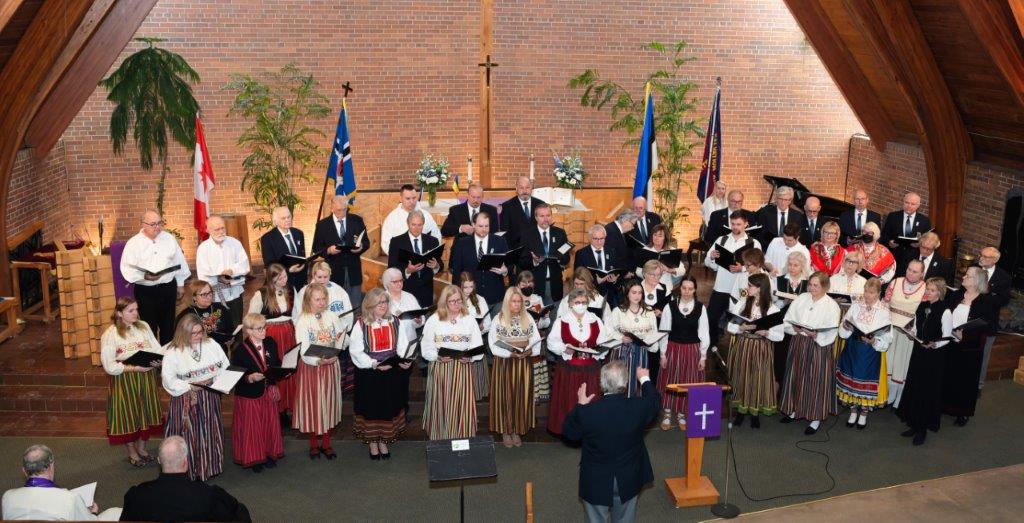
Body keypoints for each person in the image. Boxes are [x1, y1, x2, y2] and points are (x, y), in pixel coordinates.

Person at [562, 362, 659, 523]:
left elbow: (569, 432)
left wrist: (580, 405)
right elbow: (655, 401)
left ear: (601, 384)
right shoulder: (639, 407)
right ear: (626, 383)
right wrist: (644, 379)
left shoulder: (588, 413)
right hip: (629, 476)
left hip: (595, 479)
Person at [161, 314, 229, 481]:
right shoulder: (173, 352)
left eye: (200, 332)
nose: (198, 336)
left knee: (209, 431)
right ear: (183, 333)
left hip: (209, 397)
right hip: (185, 399)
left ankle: (209, 466)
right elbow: (168, 380)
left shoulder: (211, 344)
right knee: (188, 435)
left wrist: (216, 380)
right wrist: (190, 385)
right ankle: (188, 471)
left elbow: (225, 366)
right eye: (193, 333)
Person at [120, 436, 250, 522]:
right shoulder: (210, 495)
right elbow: (235, 511)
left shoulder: (136, 495)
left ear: (159, 461)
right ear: (186, 462)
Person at [349, 288, 413, 459]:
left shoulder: (395, 321)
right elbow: (356, 350)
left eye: (385, 302)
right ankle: (372, 443)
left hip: (390, 373)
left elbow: (402, 345)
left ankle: (384, 440)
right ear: (370, 304)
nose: (383, 305)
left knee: (388, 407)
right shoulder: (361, 324)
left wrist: (404, 360)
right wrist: (373, 364)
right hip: (369, 374)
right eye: (379, 302)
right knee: (372, 408)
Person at [100, 297, 163, 467]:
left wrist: (158, 360)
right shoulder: (110, 334)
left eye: (136, 309)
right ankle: (132, 452)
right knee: (129, 414)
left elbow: (156, 348)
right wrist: (134, 368)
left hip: (147, 376)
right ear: (119, 313)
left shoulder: (144, 326)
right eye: (130, 311)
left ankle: (142, 448)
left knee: (146, 411)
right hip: (125, 379)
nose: (136, 313)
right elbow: (109, 366)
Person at [779, 271, 842, 435]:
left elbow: (832, 332)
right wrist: (793, 327)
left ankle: (815, 418)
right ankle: (793, 410)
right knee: (796, 376)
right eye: (810, 284)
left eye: (816, 285)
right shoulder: (801, 298)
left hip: (818, 347)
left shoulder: (832, 305)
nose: (812, 288)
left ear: (825, 286)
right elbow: (787, 319)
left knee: (815, 381)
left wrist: (817, 335)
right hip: (799, 342)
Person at [421, 285, 485, 439]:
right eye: (452, 301)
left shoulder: (469, 319)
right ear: (444, 302)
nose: (456, 304)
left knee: (461, 404)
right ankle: (441, 436)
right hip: (440, 368)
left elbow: (477, 345)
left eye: (459, 301)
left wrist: (471, 357)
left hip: (462, 368)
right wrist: (436, 356)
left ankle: (462, 436)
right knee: (441, 403)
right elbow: (426, 345)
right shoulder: (434, 319)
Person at [119, 209, 191, 344]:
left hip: (167, 288)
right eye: (153, 224)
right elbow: (126, 268)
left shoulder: (169, 238)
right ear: (143, 224)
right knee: (148, 327)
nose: (157, 227)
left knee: (168, 326)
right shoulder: (133, 243)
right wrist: (144, 277)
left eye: (159, 223)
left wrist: (180, 284)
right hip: (146, 291)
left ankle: (168, 359)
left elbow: (179, 261)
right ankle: (153, 361)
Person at [547, 288, 612, 436]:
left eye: (584, 302)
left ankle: (591, 431)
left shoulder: (595, 320)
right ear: (570, 303)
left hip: (591, 369)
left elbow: (604, 343)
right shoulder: (562, 321)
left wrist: (597, 351)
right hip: (569, 369)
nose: (581, 305)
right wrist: (564, 349)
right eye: (577, 302)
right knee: (569, 401)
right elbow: (551, 342)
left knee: (592, 401)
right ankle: (571, 431)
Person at [896, 278, 953, 445]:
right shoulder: (921, 306)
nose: (928, 292)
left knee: (927, 391)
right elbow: (915, 328)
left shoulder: (945, 311)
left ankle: (922, 429)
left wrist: (935, 343)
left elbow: (947, 337)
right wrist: (910, 332)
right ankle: (913, 423)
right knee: (915, 386)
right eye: (927, 288)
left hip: (933, 357)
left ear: (940, 292)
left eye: (933, 290)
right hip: (919, 352)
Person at [724, 273, 784, 429]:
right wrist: (740, 327)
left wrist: (766, 333)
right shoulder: (743, 304)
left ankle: (755, 413)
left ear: (759, 288)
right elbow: (730, 326)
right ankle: (741, 412)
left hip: (761, 348)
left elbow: (780, 335)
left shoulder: (772, 309)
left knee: (757, 378)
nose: (747, 287)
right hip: (743, 345)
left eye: (750, 285)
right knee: (742, 376)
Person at [293, 283, 345, 459]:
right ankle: (314, 444)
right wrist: (318, 361)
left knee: (328, 404)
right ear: (309, 300)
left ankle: (327, 443)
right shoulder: (303, 320)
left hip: (331, 366)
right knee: (313, 406)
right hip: (312, 369)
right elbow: (303, 348)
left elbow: (341, 338)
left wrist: (340, 345)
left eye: (324, 298)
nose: (321, 302)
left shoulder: (332, 316)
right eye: (317, 299)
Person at [2, 444, 121, 521]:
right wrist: (93, 514)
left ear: (24, 471)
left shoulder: (7, 497)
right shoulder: (69, 498)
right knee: (116, 512)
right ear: (50, 466)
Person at [488, 287, 542, 448]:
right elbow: (492, 344)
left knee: (521, 395)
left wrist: (530, 351)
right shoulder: (498, 319)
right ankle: (506, 430)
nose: (517, 304)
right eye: (513, 301)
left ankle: (517, 429)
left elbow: (536, 340)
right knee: (505, 396)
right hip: (505, 363)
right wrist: (510, 354)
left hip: (523, 363)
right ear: (507, 302)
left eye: (519, 301)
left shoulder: (528, 318)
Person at [835, 278, 892, 429]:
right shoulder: (855, 306)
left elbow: (887, 337)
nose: (867, 295)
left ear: (878, 294)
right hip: (852, 348)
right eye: (866, 291)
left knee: (864, 382)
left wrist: (873, 341)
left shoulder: (884, 311)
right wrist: (847, 326)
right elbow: (844, 327)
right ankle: (853, 411)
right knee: (851, 379)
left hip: (870, 353)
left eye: (871, 292)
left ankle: (864, 414)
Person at [231, 314, 284, 473]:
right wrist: (249, 378)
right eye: (259, 328)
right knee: (253, 428)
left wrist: (281, 372)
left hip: (268, 390)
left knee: (269, 424)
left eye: (264, 327)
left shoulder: (270, 342)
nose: (264, 331)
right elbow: (235, 376)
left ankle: (268, 453)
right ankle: (254, 459)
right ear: (248, 331)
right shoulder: (240, 350)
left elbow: (277, 364)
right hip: (250, 394)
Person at [941, 266, 994, 427]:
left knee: (964, 382)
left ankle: (962, 412)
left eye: (968, 276)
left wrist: (965, 336)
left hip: (969, 349)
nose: (963, 277)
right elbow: (945, 313)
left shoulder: (985, 301)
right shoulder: (956, 294)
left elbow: (986, 328)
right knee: (947, 376)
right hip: (949, 343)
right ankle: (944, 405)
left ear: (976, 281)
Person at [656, 276, 709, 430]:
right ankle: (667, 412)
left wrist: (703, 356)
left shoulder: (701, 308)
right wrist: (663, 354)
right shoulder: (669, 306)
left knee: (687, 381)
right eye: (684, 288)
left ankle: (681, 413)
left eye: (690, 289)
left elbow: (704, 333)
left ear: (695, 290)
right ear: (680, 288)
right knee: (670, 379)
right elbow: (664, 332)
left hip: (692, 349)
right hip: (673, 348)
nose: (686, 292)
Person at [247, 263, 297, 425]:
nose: (285, 280)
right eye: (280, 277)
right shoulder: (260, 294)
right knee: (276, 371)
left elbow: (297, 315)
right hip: (271, 337)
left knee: (289, 370)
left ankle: (290, 408)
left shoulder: (291, 291)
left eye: (285, 276)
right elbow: (251, 319)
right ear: (271, 278)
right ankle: (277, 410)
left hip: (290, 335)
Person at [705, 211, 761, 344]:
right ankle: (713, 345)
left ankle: (736, 348)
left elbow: (758, 267)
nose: (735, 227)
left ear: (746, 224)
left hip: (743, 290)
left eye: (739, 224)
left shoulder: (754, 243)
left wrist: (742, 268)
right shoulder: (721, 240)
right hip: (721, 287)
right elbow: (707, 262)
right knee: (711, 318)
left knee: (740, 320)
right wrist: (712, 257)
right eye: (733, 224)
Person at [312, 195, 370, 310]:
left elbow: (366, 242)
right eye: (339, 210)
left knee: (354, 307)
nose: (342, 213)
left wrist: (361, 247)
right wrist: (328, 250)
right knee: (335, 306)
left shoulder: (356, 220)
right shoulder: (322, 225)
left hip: (354, 272)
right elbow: (316, 247)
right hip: (333, 273)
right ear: (331, 208)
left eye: (344, 209)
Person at [884, 259, 928, 407]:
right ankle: (886, 394)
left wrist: (913, 327)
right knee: (888, 361)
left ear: (922, 274)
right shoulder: (896, 282)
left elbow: (924, 314)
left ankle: (899, 398)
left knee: (902, 364)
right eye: (909, 269)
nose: (910, 273)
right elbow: (885, 303)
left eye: (915, 271)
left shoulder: (926, 288)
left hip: (908, 331)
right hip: (890, 328)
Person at [605, 280, 660, 397]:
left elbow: (654, 332)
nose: (637, 296)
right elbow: (608, 331)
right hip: (622, 352)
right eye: (633, 292)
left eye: (640, 293)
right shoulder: (618, 311)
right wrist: (621, 337)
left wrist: (650, 343)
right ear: (627, 293)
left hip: (641, 352)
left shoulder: (649, 311)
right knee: (620, 384)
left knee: (638, 384)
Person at [195, 215, 250, 330]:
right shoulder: (203, 249)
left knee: (237, 328)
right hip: (215, 298)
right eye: (217, 229)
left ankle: (237, 347)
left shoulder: (235, 243)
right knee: (218, 329)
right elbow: (202, 275)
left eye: (223, 228)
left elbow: (245, 265)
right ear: (208, 230)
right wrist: (219, 278)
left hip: (235, 294)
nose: (221, 232)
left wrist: (232, 271)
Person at [450, 211, 510, 305]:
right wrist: (457, 296)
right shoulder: (461, 243)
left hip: (495, 297)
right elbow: (456, 272)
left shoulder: (500, 241)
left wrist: (505, 270)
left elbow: (510, 264)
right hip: (470, 298)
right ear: (473, 225)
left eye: (487, 226)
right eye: (480, 226)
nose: (484, 229)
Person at [386, 210, 443, 307]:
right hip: (406, 292)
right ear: (408, 223)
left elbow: (441, 265)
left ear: (423, 224)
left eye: (420, 225)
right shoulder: (397, 242)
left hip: (426, 293)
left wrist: (436, 266)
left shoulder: (432, 241)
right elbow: (391, 268)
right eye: (413, 225)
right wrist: (407, 271)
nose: (416, 228)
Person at [519, 203, 570, 303]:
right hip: (535, 286)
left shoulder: (560, 233)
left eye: (548, 215)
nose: (545, 219)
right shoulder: (527, 235)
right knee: (536, 316)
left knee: (554, 316)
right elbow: (522, 262)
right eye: (542, 216)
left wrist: (560, 259)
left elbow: (567, 258)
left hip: (555, 285)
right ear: (536, 217)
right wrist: (534, 261)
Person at [773, 252, 810, 388]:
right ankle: (779, 384)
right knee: (780, 354)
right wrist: (784, 303)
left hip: (800, 323)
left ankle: (794, 386)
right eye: (790, 264)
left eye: (796, 265)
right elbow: (773, 305)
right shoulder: (780, 280)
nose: (792, 268)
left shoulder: (808, 283)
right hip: (782, 322)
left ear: (802, 266)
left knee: (797, 355)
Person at [976, 246, 1011, 390]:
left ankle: (978, 385)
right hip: (968, 318)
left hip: (988, 322)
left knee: (984, 355)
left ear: (995, 260)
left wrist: (987, 294)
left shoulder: (1003, 277)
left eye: (985, 257)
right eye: (981, 255)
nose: (981, 258)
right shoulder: (973, 269)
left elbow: (1003, 300)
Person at [516, 271, 551, 403]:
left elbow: (545, 323)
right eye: (524, 283)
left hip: (535, 340)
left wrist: (541, 321)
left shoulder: (537, 299)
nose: (527, 285)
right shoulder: (514, 299)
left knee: (534, 370)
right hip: (519, 341)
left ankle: (533, 397)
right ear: (518, 285)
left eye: (530, 283)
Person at [380, 183, 441, 255]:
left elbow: (436, 236)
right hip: (402, 261)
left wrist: (430, 254)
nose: (412, 202)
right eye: (408, 198)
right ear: (401, 198)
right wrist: (400, 258)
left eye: (414, 198)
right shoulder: (392, 218)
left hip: (424, 258)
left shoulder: (426, 215)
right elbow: (386, 243)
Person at [259, 206, 307, 292]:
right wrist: (288, 270)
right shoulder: (267, 239)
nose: (287, 220)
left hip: (300, 281)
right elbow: (270, 265)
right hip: (281, 283)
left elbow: (302, 256)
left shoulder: (298, 233)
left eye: (289, 217)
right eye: (283, 218)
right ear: (275, 221)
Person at [460, 272, 491, 402]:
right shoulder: (454, 299)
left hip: (475, 343)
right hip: (459, 344)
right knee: (460, 384)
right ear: (460, 286)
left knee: (474, 383)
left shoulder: (480, 299)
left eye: (471, 287)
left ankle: (471, 411)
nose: (468, 290)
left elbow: (487, 322)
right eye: (465, 287)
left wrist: (482, 328)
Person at [574, 224, 622, 304]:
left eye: (602, 238)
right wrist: (596, 282)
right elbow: (578, 277)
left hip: (608, 295)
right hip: (589, 295)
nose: (599, 242)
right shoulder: (581, 254)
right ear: (589, 238)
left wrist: (614, 280)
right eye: (595, 239)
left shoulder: (612, 252)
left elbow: (617, 271)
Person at [880, 191, 933, 260]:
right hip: (894, 256)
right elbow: (884, 235)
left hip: (913, 258)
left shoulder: (924, 221)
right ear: (903, 202)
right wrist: (889, 242)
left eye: (913, 204)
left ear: (918, 205)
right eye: (907, 202)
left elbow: (927, 240)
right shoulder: (893, 216)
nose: (909, 206)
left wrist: (920, 244)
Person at [178, 280, 232, 346]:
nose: (209, 296)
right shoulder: (185, 315)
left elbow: (230, 330)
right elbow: (180, 338)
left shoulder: (220, 308)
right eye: (204, 294)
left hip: (219, 349)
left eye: (210, 292)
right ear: (194, 297)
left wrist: (230, 340)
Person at [499, 176, 545, 249]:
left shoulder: (540, 204)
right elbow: (505, 232)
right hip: (517, 250)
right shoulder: (507, 206)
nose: (525, 191)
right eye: (521, 188)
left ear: (531, 188)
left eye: (527, 187)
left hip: (538, 248)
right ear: (516, 189)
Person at [382, 267, 425, 341]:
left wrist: (419, 320)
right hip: (390, 342)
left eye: (401, 280)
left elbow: (420, 316)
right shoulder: (381, 299)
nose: (399, 284)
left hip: (410, 340)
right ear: (387, 283)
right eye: (395, 282)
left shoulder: (409, 297)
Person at [637, 223, 685, 289]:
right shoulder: (645, 250)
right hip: (648, 285)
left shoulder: (672, 250)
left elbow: (682, 270)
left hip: (665, 286)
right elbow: (638, 271)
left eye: (660, 236)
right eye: (655, 235)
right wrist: (650, 273)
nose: (656, 238)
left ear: (665, 238)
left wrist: (669, 270)